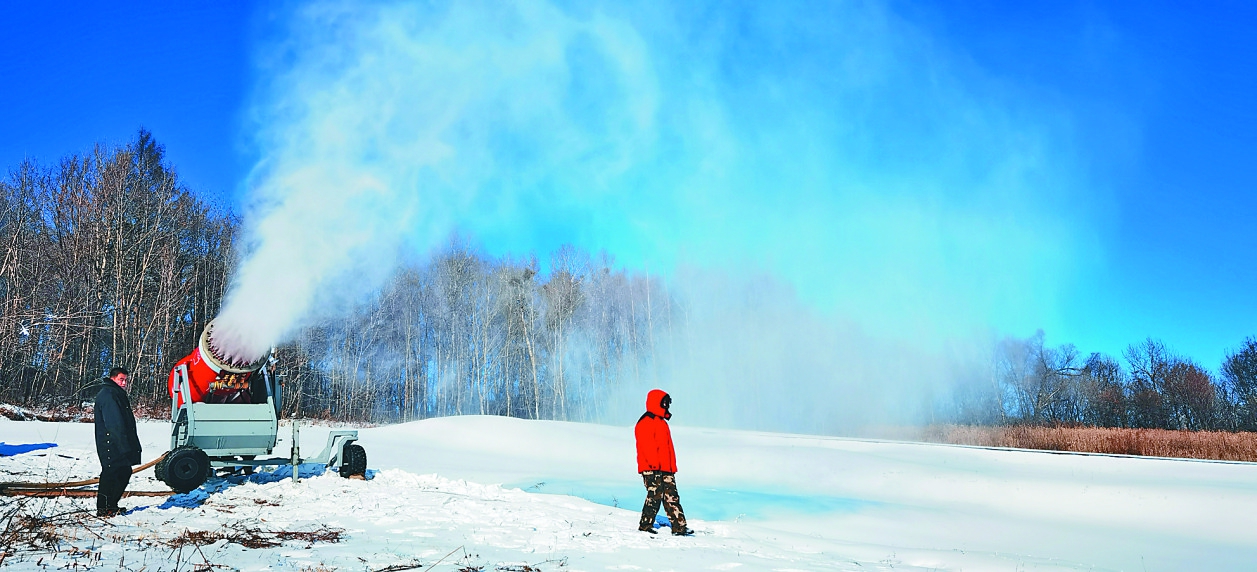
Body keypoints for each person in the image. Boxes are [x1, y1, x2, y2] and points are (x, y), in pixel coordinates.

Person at [634, 389, 694, 536]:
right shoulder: (645, 422)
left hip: (666, 468)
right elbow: (646, 446)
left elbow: (667, 449)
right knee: (654, 496)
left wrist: (671, 467)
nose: (666, 406)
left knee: (672, 496)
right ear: (656, 403)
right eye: (664, 403)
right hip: (651, 468)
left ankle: (679, 527)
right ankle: (645, 525)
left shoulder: (662, 423)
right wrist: (654, 466)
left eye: (667, 403)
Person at [94, 366, 141, 517]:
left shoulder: (115, 393)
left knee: (123, 471)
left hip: (118, 441)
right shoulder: (108, 394)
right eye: (121, 379)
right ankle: (104, 508)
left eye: (126, 380)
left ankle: (111, 505)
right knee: (110, 474)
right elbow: (114, 422)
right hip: (110, 442)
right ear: (113, 378)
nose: (124, 383)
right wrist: (123, 445)